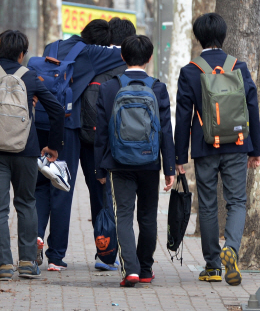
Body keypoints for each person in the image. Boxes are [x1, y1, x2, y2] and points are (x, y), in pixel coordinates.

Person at [173, 13, 260, 286]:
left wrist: (179, 157)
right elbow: (252, 109)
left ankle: (212, 266)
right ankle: (230, 250)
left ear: (199, 37)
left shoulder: (190, 71)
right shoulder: (238, 66)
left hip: (205, 147)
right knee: (236, 202)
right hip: (236, 145)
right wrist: (254, 149)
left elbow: (183, 116)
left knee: (208, 205)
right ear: (224, 36)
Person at [34, 19, 126, 272]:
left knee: (46, 184)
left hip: (44, 124)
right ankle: (64, 255)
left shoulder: (52, 47)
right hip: (71, 126)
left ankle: (38, 239)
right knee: (67, 187)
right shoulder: (92, 52)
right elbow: (127, 54)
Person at [0, 30, 64, 280]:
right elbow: (56, 110)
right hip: (26, 149)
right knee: (26, 203)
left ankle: (3, 265)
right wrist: (54, 146)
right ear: (22, 54)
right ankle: (26, 262)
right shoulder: (30, 76)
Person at [94, 35, 175, 287]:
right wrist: (169, 167)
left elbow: (100, 133)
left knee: (124, 216)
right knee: (148, 217)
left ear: (122, 56)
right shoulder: (158, 88)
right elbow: (165, 131)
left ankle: (131, 270)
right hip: (149, 163)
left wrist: (100, 167)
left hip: (119, 163)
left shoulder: (108, 88)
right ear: (150, 58)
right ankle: (146, 269)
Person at [79, 17, 136, 271]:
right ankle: (132, 257)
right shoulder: (133, 73)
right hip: (130, 147)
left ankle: (105, 252)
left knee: (99, 196)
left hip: (94, 144)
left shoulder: (94, 68)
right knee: (125, 202)